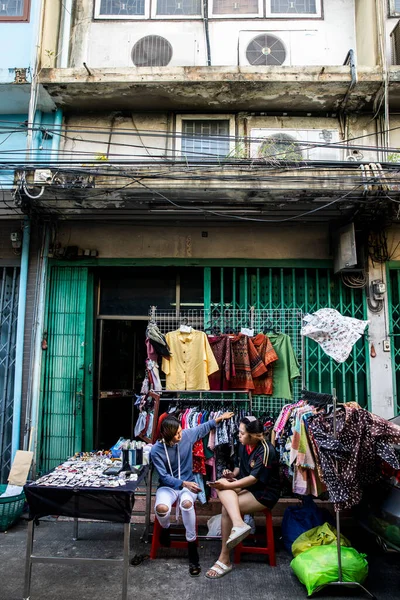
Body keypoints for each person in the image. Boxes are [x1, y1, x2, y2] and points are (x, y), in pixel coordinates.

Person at [150, 410, 234, 577]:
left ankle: (192, 550)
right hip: (168, 487)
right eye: (177, 434)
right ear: (168, 436)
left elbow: (203, 428)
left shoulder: (187, 436)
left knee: (187, 505)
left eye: (181, 431)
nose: (181, 435)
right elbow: (164, 477)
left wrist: (219, 418)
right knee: (161, 508)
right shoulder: (156, 451)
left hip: (187, 486)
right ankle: (165, 528)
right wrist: (183, 483)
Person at [205, 416, 280, 579]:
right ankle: (239, 524)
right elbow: (239, 467)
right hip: (247, 487)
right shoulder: (242, 445)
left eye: (242, 433)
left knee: (226, 506)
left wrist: (228, 485)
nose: (238, 435)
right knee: (222, 482)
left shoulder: (266, 450)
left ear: (253, 435)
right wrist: (232, 476)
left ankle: (224, 559)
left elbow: (254, 479)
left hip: (264, 493)